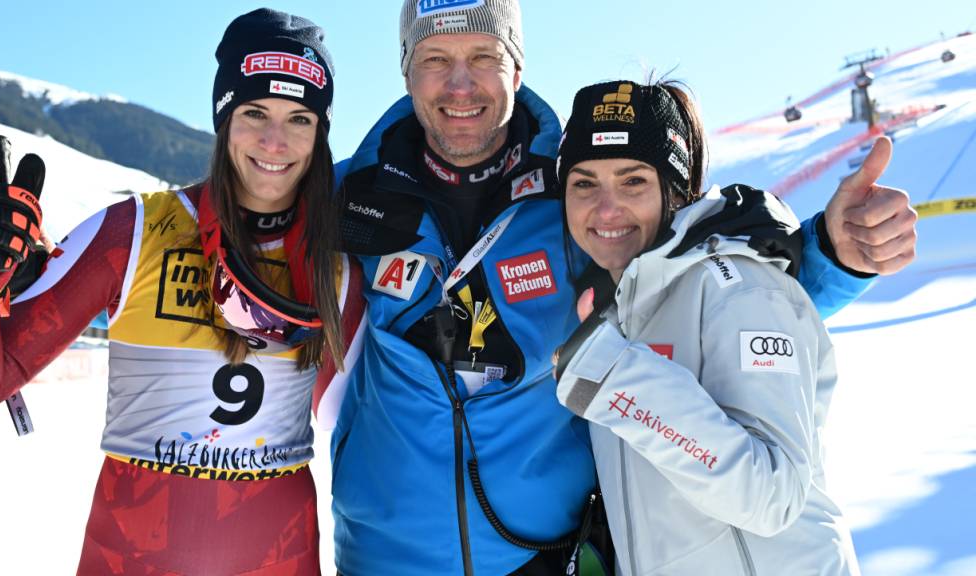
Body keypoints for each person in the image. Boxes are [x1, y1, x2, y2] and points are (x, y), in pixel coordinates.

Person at [330, 1, 916, 574]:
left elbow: (699, 298)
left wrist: (835, 257)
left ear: (517, 65)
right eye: (435, 58)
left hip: (545, 557)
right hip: (382, 557)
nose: (460, 85)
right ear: (405, 67)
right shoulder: (345, 202)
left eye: (483, 54)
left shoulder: (574, 195)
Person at [0, 9, 362, 575]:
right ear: (223, 118)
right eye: (254, 112)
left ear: (320, 133)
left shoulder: (337, 269)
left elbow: (371, 436)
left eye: (300, 118)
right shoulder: (131, 231)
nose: (275, 139)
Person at [554, 79, 864, 576]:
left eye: (633, 181)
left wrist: (618, 380)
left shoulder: (739, 287)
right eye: (584, 183)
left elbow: (771, 496)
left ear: (673, 191)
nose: (606, 209)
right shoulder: (618, 310)